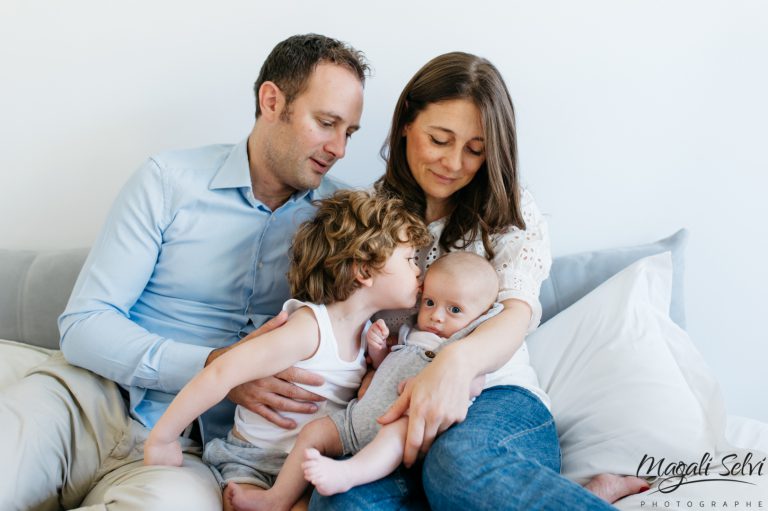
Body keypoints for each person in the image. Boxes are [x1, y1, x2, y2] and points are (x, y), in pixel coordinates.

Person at [0, 34, 367, 511]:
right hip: (89, 401)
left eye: (350, 133)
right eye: (326, 123)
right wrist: (216, 368)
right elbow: (84, 324)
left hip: (194, 454)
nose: (338, 148)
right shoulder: (168, 181)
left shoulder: (341, 221)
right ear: (272, 100)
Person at [308, 52, 650, 511]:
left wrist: (453, 365)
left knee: (457, 465)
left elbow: (516, 315)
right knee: (341, 504)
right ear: (406, 121)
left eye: (475, 149)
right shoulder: (368, 216)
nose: (454, 162)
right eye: (440, 139)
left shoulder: (509, 212)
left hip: (496, 402)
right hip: (393, 420)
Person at [144, 190, 432, 511]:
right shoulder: (308, 328)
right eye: (409, 260)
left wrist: (378, 358)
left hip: (305, 468)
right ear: (363, 271)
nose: (419, 270)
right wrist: (164, 437)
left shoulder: (367, 334)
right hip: (253, 461)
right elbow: (221, 372)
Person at [224, 251, 500, 511]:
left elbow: (470, 385)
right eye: (430, 303)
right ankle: (276, 498)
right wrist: (378, 348)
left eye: (454, 310)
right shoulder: (411, 332)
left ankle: (349, 473)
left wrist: (431, 383)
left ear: (480, 317)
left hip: (399, 423)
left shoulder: (463, 348)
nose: (437, 316)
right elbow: (386, 370)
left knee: (394, 436)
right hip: (355, 419)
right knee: (314, 432)